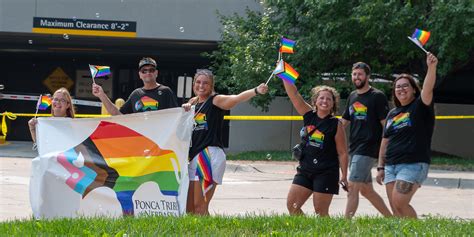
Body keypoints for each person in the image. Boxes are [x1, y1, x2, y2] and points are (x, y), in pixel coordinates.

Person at [182, 69, 268, 215]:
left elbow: (236, 99)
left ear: (211, 86)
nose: (201, 86)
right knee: (189, 208)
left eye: (206, 83)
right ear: (193, 84)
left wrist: (256, 91)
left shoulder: (216, 100)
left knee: (200, 207)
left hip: (209, 154)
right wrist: (185, 108)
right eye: (198, 82)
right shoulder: (192, 102)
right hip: (194, 156)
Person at [376, 53, 438, 218]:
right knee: (396, 210)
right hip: (390, 166)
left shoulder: (420, 106)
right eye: (398, 86)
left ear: (413, 89)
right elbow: (385, 141)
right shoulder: (392, 114)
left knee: (400, 202)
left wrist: (431, 67)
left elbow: (428, 88)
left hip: (413, 164)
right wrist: (381, 167)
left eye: (405, 86)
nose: (401, 89)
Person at [281, 79, 348, 217]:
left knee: (320, 212)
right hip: (305, 170)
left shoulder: (336, 124)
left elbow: (342, 153)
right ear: (315, 101)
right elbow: (294, 94)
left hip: (326, 172)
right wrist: (283, 75)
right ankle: (307, 230)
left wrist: (344, 175)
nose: (325, 101)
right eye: (321, 98)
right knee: (292, 206)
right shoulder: (309, 115)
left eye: (329, 99)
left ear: (333, 104)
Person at [341, 62, 392, 218]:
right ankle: (392, 219)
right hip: (354, 148)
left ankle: (344, 225)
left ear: (368, 76)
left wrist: (385, 150)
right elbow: (343, 122)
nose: (357, 77)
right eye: (354, 74)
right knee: (366, 190)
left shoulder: (377, 96)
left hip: (368, 148)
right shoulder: (352, 96)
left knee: (352, 188)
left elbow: (387, 125)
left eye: (360, 74)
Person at [92, 57, 178, 115]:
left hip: (160, 140)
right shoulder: (136, 94)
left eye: (151, 70)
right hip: (141, 139)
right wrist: (101, 95)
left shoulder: (166, 91)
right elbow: (118, 114)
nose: (148, 73)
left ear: (156, 73)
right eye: (144, 71)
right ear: (140, 75)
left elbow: (176, 116)